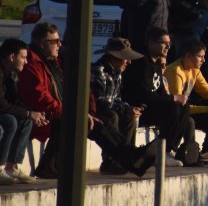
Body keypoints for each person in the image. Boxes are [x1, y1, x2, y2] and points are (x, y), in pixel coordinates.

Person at [21, 24, 157, 178]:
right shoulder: (32, 65)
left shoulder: (57, 61)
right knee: (83, 123)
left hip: (59, 113)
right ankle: (131, 158)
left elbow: (83, 90)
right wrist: (76, 114)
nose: (60, 45)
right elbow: (42, 99)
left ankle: (132, 156)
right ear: (42, 44)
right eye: (55, 41)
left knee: (100, 123)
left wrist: (87, 113)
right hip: (43, 117)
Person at [121, 27, 198, 167]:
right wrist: (174, 98)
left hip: (153, 105)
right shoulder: (141, 63)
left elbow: (161, 91)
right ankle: (161, 152)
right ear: (151, 43)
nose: (168, 46)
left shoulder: (157, 63)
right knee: (173, 108)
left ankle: (168, 151)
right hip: (139, 107)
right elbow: (145, 95)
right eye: (164, 43)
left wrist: (175, 97)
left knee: (184, 108)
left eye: (169, 43)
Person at [90, 37, 145, 174]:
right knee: (112, 116)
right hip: (96, 112)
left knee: (130, 116)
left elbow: (116, 99)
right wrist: (125, 108)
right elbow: (100, 102)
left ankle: (126, 158)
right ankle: (110, 161)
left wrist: (129, 108)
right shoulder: (98, 71)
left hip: (108, 108)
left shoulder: (117, 73)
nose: (129, 62)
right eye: (125, 58)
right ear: (114, 58)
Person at [0, 38, 42, 184]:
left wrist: (32, 113)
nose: (26, 62)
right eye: (23, 57)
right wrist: (27, 113)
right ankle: (0, 168)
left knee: (25, 121)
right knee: (10, 121)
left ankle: (12, 166)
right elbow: (1, 104)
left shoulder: (11, 72)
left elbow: (14, 100)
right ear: (12, 57)